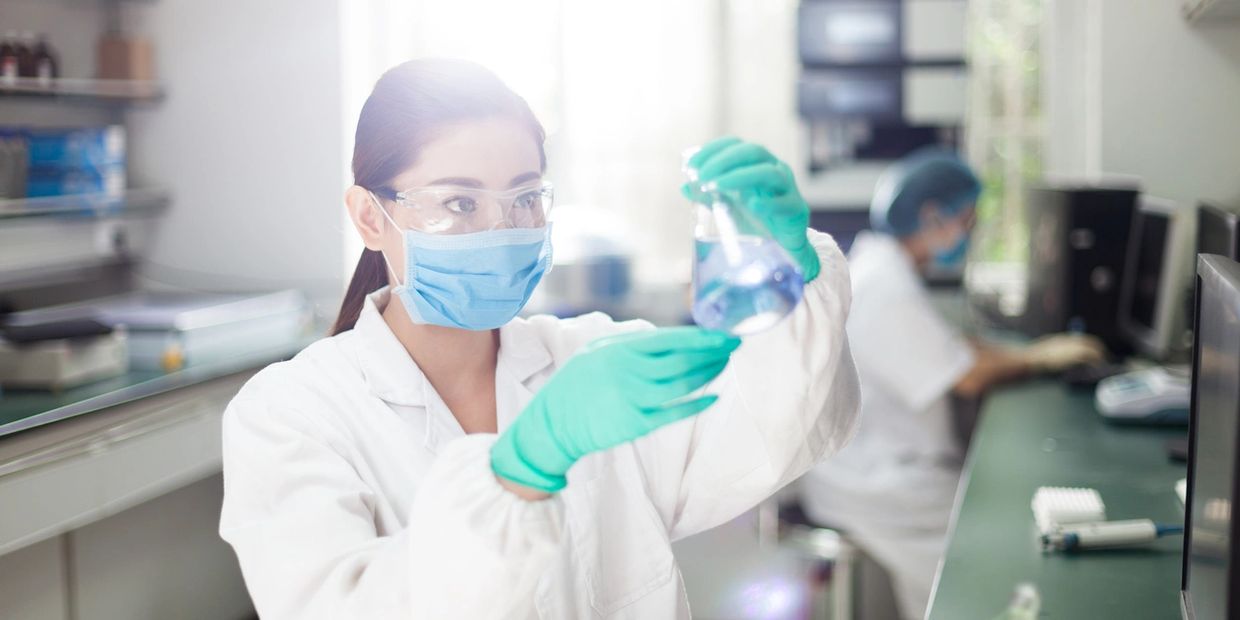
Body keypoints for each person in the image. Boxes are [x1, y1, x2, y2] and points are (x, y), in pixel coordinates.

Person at [217, 58, 861, 619]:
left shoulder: (591, 364)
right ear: (369, 216)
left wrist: (789, 271)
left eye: (525, 198)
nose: (504, 228)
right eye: (461, 203)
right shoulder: (291, 415)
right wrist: (520, 471)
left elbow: (769, 427)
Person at [798, 149, 1105, 620]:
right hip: (881, 480)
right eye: (967, 219)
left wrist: (1029, 352)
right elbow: (967, 375)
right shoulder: (884, 286)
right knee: (1004, 559)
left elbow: (955, 348)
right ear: (932, 215)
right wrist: (1038, 358)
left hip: (875, 469)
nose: (970, 232)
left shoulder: (879, 266)